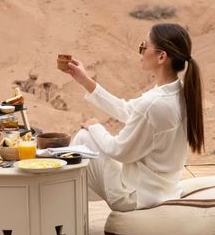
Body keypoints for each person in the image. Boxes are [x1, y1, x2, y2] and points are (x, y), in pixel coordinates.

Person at [65, 23, 204, 212]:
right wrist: (84, 80)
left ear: (162, 56)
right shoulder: (178, 92)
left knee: (83, 139)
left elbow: (119, 150)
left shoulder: (154, 103)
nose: (140, 52)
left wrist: (95, 126)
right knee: (87, 151)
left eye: (144, 47)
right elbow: (126, 110)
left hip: (137, 196)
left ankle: (63, 205)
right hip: (164, 189)